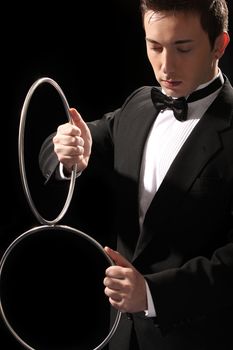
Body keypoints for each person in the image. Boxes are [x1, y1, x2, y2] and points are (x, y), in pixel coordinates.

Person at [39, 0, 233, 349]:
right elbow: (65, 147)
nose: (165, 66)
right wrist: (68, 150)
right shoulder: (139, 104)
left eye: (183, 48)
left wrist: (152, 294)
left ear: (219, 45)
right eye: (154, 46)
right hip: (120, 337)